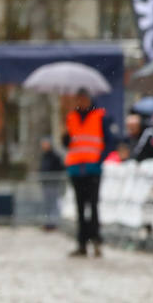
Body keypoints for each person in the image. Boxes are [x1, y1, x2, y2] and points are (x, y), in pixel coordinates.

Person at [63, 88, 112, 257]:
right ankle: (82, 243)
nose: (81, 102)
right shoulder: (71, 117)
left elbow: (108, 140)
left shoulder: (99, 116)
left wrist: (100, 158)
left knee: (93, 206)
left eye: (84, 99)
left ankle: (96, 240)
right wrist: (65, 138)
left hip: (93, 168)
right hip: (76, 168)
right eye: (79, 99)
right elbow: (69, 141)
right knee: (80, 208)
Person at [37, 137, 63, 231]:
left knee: (53, 204)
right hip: (46, 183)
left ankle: (53, 223)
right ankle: (48, 223)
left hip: (53, 183)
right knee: (47, 204)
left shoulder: (54, 156)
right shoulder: (44, 156)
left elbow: (60, 168)